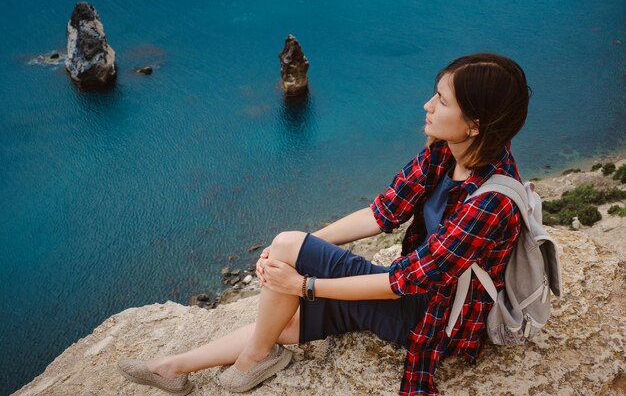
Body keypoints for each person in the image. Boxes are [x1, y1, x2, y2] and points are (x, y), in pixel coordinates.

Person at [117, 52, 529, 396]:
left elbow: (402, 283)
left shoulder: (490, 202)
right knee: (285, 312)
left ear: (475, 123)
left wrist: (302, 283)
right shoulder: (448, 153)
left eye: (442, 100)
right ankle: (174, 366)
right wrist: (307, 249)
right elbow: (382, 213)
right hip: (420, 295)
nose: (427, 105)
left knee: (289, 266)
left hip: (436, 319)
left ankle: (256, 357)